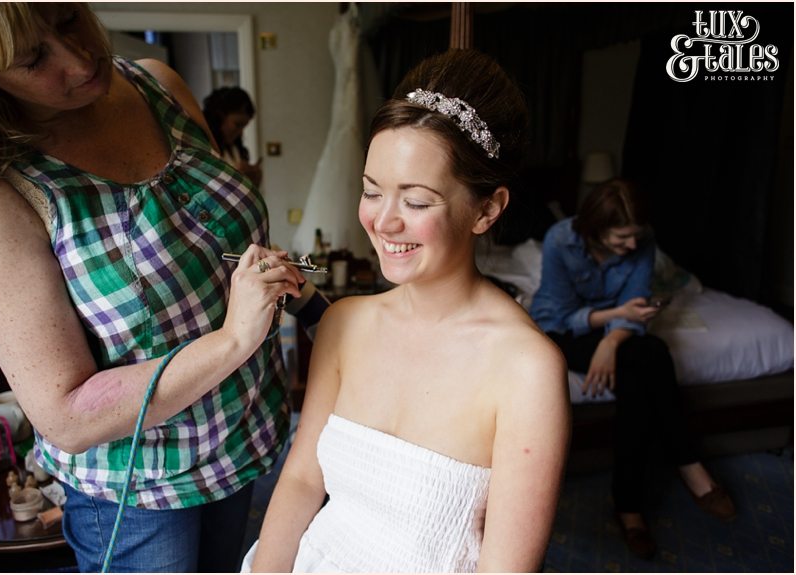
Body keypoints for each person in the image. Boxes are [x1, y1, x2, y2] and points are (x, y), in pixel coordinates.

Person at [0, 3, 328, 572]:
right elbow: (67, 416)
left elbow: (201, 240)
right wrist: (231, 341)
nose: (78, 60)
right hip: (139, 495)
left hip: (246, 445)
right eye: (33, 57)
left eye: (69, 19)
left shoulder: (159, 85)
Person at [243, 49, 571, 573]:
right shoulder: (343, 323)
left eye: (416, 202)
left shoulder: (526, 369)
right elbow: (304, 480)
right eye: (372, 192)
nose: (383, 223)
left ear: (486, 209)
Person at [528, 178, 736, 559]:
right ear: (596, 229)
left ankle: (629, 505)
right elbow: (557, 317)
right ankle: (687, 464)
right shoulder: (561, 240)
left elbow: (636, 306)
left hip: (616, 331)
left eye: (636, 236)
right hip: (563, 330)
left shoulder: (644, 240)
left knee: (646, 361)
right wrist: (615, 318)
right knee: (649, 357)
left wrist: (612, 340)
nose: (632, 245)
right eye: (622, 237)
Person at [202, 86, 263, 187]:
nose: (241, 133)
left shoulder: (235, 148)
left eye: (244, 126)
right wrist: (234, 177)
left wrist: (254, 182)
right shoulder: (203, 148)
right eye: (237, 125)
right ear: (219, 117)